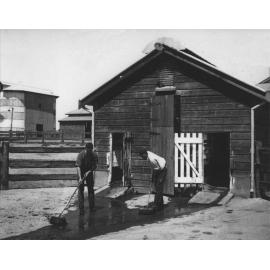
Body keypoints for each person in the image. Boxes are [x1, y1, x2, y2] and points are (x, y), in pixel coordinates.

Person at [76, 142, 98, 215]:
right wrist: (80, 178)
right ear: (85, 149)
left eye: (90, 150)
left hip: (89, 171)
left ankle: (92, 207)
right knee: (80, 189)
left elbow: (95, 166)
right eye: (88, 150)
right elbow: (78, 167)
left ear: (92, 149)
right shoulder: (81, 155)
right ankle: (81, 209)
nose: (89, 151)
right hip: (81, 171)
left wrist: (89, 171)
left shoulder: (94, 155)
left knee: (91, 189)